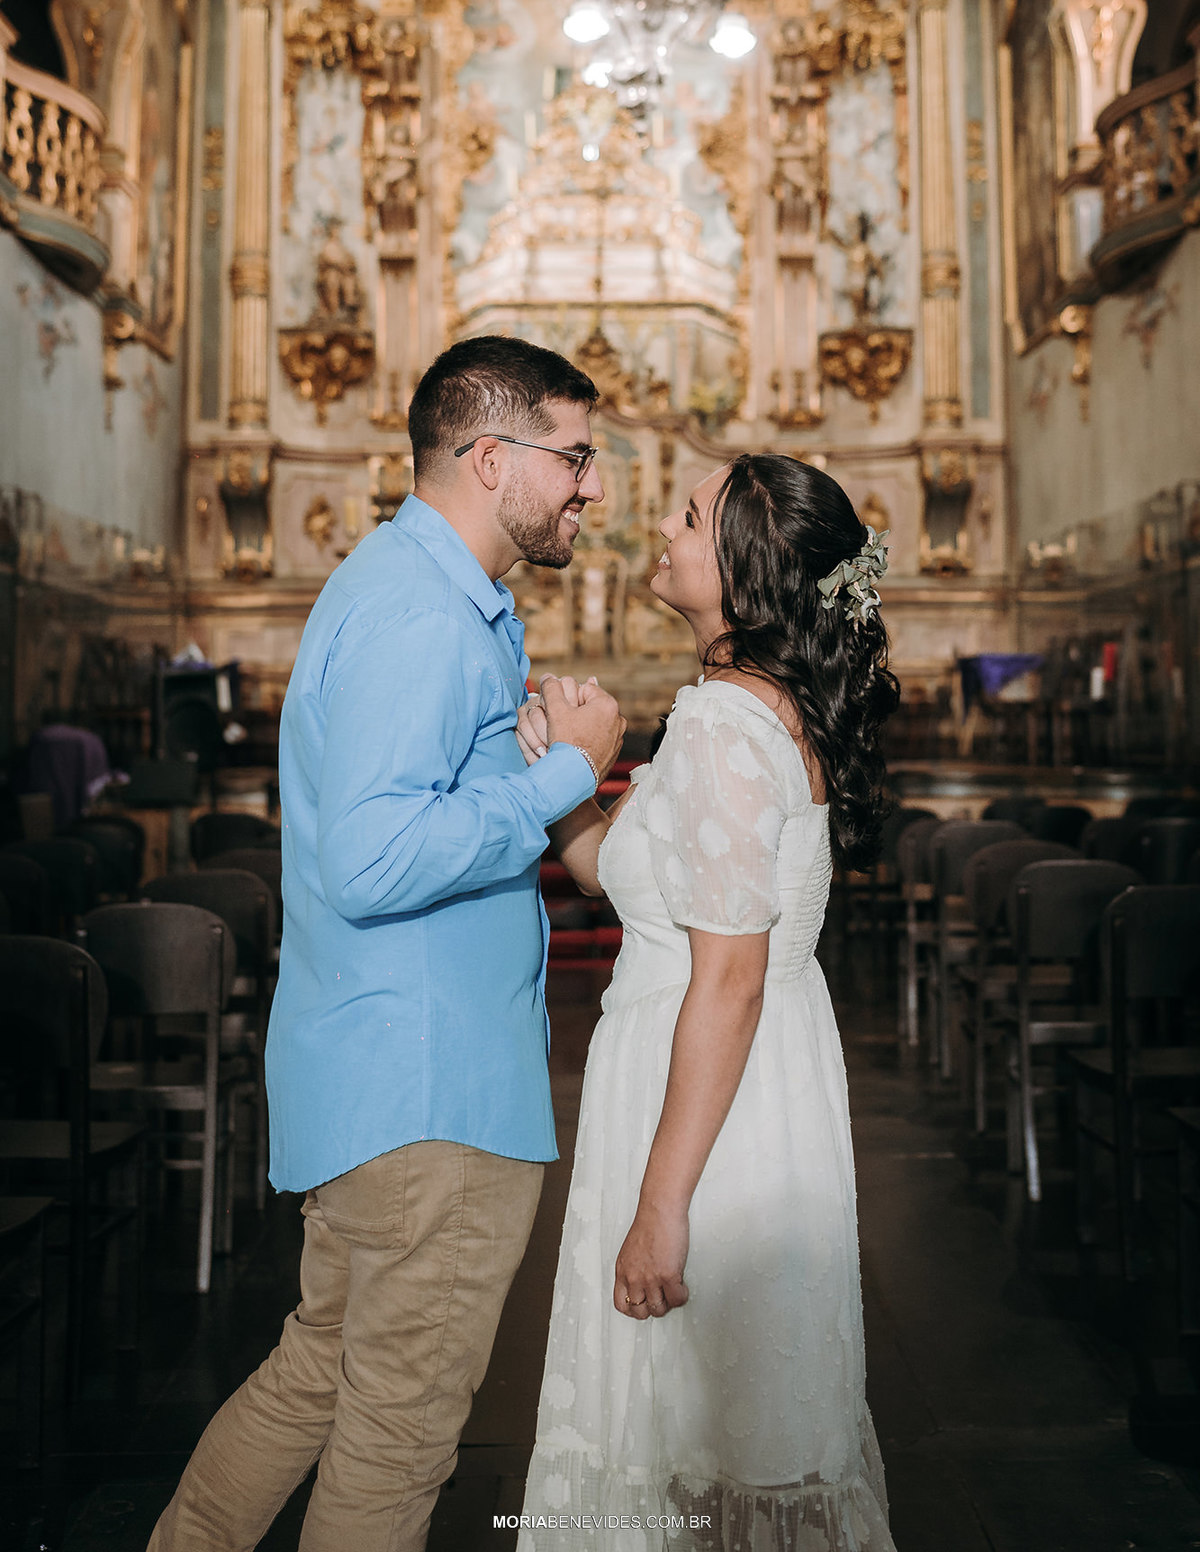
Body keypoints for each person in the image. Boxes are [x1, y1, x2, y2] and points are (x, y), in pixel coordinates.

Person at [148, 335, 626, 1552]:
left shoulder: (415, 592)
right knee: (398, 1438)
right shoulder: (422, 614)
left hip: (382, 1077)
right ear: (488, 455)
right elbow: (369, 861)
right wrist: (561, 776)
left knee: (318, 1378)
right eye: (574, 457)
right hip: (432, 1099)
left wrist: (519, 760)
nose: (594, 487)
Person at [515, 453, 900, 1551]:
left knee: (699, 1438)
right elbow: (617, 880)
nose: (663, 529)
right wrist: (566, 777)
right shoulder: (737, 711)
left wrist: (661, 1206)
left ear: (742, 571)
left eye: (689, 517)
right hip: (721, 1079)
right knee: (707, 1445)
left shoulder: (729, 724)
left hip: (710, 1111)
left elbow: (728, 975)